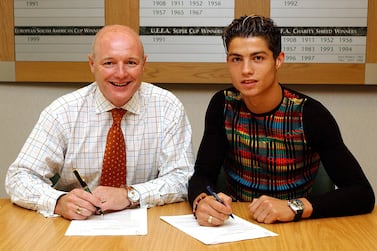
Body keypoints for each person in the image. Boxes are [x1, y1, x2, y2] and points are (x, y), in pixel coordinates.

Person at [188, 15, 375, 226]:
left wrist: (294, 207)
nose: (246, 69)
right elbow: (202, 174)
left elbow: (362, 194)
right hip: (237, 223)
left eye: (258, 58)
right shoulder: (222, 105)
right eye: (237, 59)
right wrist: (202, 201)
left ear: (278, 60)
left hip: (298, 225)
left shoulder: (310, 114)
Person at [5, 25, 195, 220]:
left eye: (131, 62)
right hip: (78, 226)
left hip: (147, 227)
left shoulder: (168, 108)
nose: (121, 74)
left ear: (144, 64)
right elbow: (19, 177)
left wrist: (130, 194)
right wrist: (58, 201)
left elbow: (182, 179)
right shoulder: (63, 112)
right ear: (92, 64)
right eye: (109, 63)